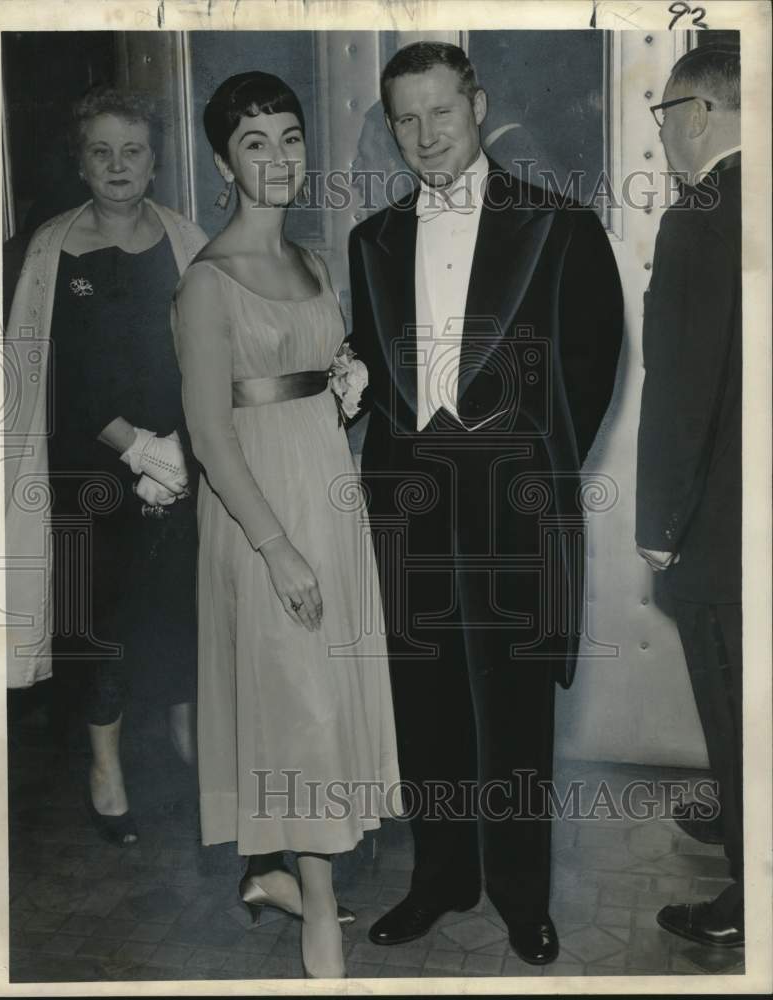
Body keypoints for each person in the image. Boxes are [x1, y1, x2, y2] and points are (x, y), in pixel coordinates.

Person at [348, 42, 623, 965]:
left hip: (515, 504)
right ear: (390, 127)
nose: (426, 136)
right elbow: (380, 373)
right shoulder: (371, 238)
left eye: (441, 113)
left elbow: (591, 368)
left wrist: (534, 476)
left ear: (478, 105)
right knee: (423, 703)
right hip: (408, 506)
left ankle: (519, 895)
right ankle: (439, 881)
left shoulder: (559, 225)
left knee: (513, 712)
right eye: (406, 119)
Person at [171, 71, 401, 980]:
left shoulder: (314, 259)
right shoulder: (206, 283)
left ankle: (279, 877)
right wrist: (278, 550)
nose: (278, 158)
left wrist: (346, 390)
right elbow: (210, 435)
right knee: (299, 707)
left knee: (325, 701)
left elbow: (316, 378)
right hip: (261, 519)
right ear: (223, 158)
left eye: (291, 138)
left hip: (329, 500)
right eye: (255, 142)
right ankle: (319, 925)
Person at [4, 87, 207, 843]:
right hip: (86, 475)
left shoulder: (189, 241)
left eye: (133, 151)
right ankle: (106, 771)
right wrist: (134, 447)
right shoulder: (43, 252)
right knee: (102, 624)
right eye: (101, 150)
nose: (118, 165)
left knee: (182, 613)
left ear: (155, 162)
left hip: (182, 469)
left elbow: (211, 352)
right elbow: (43, 369)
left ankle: (193, 754)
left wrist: (182, 450)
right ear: (79, 161)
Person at [636, 45, 743, 948]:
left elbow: (681, 387)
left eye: (663, 112)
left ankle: (752, 898)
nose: (663, 133)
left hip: (722, 525)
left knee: (737, 710)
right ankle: (746, 820)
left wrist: (658, 527)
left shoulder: (702, 212)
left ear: (698, 112)